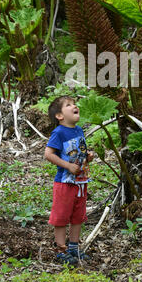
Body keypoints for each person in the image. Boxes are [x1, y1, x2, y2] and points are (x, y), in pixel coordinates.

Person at [44, 95, 94, 264]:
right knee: (61, 216)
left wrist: (88, 156)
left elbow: (79, 150)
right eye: (68, 105)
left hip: (81, 181)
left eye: (74, 104)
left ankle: (73, 247)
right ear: (59, 116)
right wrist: (67, 165)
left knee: (78, 216)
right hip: (65, 182)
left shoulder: (79, 130)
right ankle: (60, 249)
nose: (75, 106)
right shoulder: (58, 132)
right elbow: (48, 154)